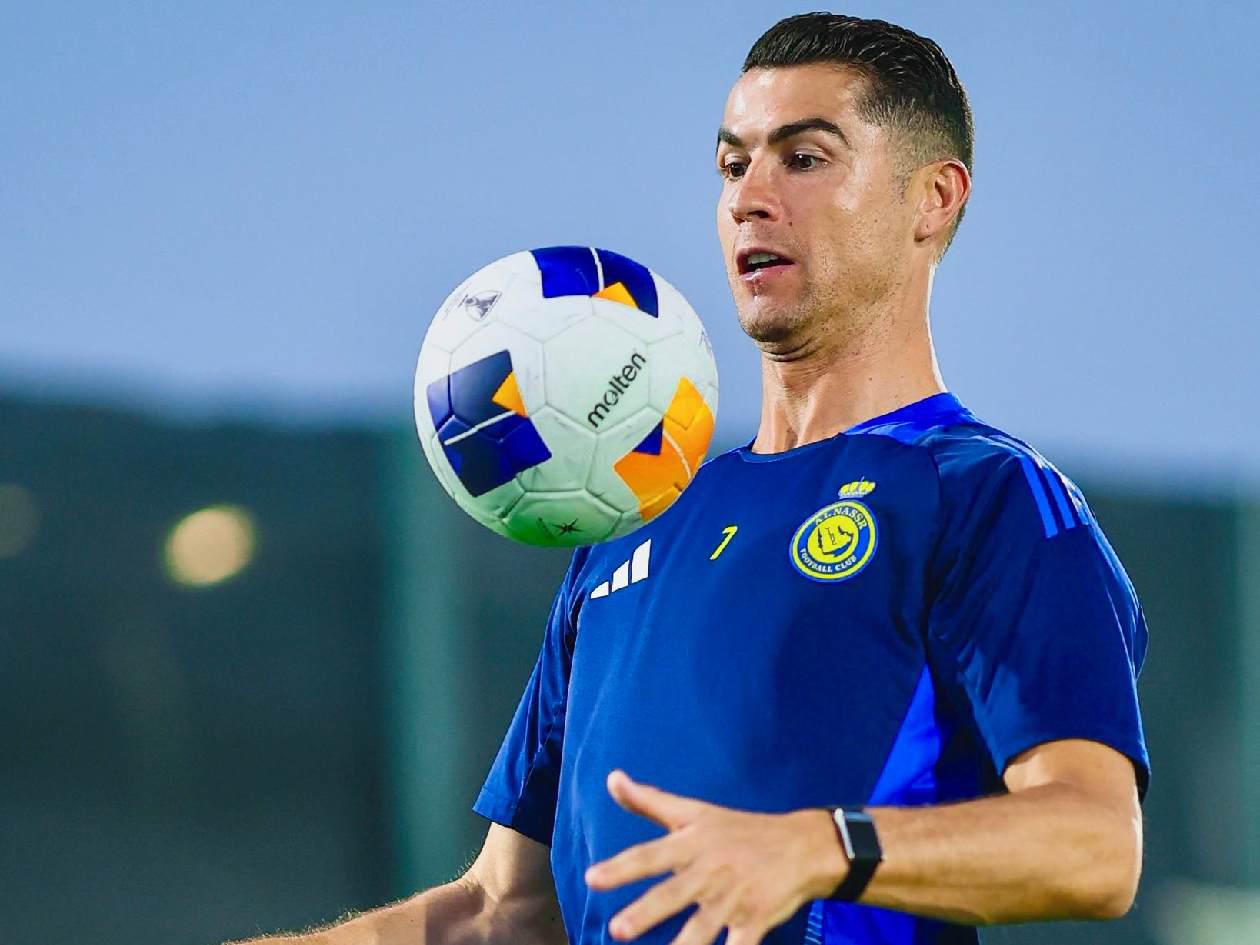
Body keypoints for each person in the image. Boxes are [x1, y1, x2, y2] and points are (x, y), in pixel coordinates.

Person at [232, 12, 1148, 945]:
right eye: (732, 164)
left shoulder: (985, 495)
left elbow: (1095, 845)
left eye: (803, 158)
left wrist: (817, 847)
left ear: (933, 199)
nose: (750, 197)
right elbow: (505, 908)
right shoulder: (636, 514)